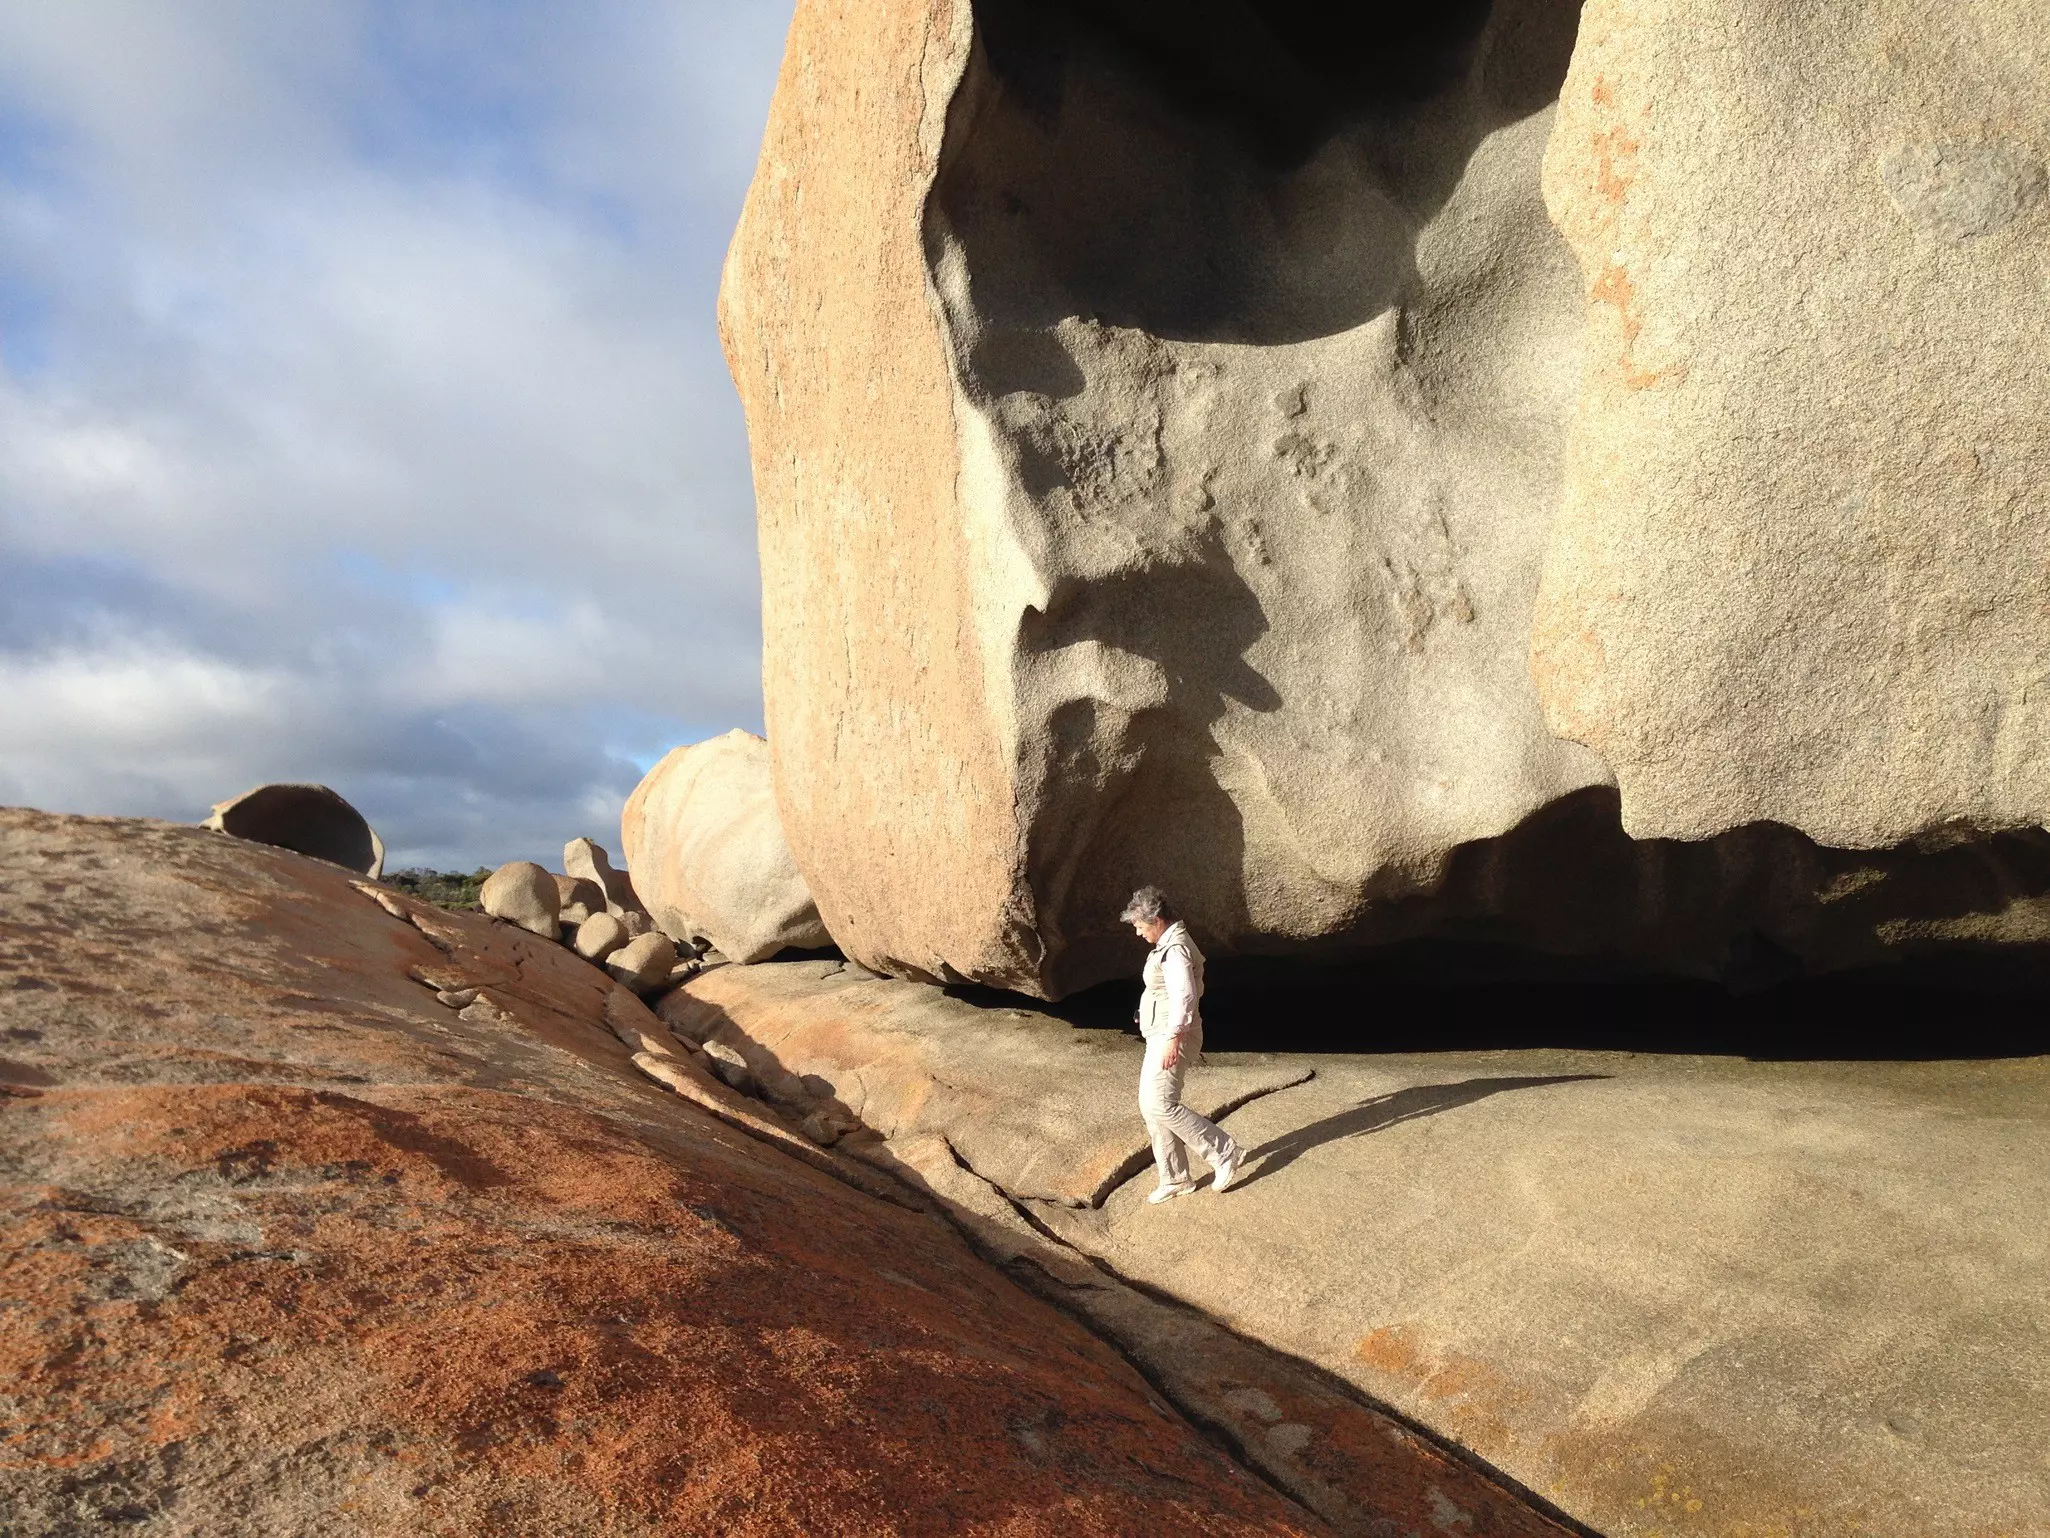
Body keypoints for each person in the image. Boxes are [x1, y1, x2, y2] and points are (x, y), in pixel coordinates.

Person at [1121, 885, 1242, 1203]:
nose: (1137, 932)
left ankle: (1224, 1152)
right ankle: (1175, 1178)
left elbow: (1185, 995)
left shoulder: (1175, 949)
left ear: (1156, 919)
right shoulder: (1166, 944)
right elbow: (1164, 990)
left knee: (1162, 1103)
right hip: (1160, 1033)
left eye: (1139, 925)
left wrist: (1175, 1037)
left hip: (1172, 1036)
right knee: (1151, 1106)